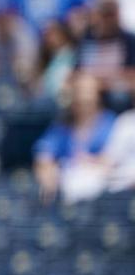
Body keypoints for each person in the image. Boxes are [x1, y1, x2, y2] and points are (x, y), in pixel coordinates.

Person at [32, 72, 116, 204]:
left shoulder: (110, 123)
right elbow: (44, 152)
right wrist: (47, 169)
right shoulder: (63, 125)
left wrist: (93, 162)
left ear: (97, 96)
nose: (83, 99)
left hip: (100, 191)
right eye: (79, 92)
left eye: (88, 93)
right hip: (67, 188)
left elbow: (115, 159)